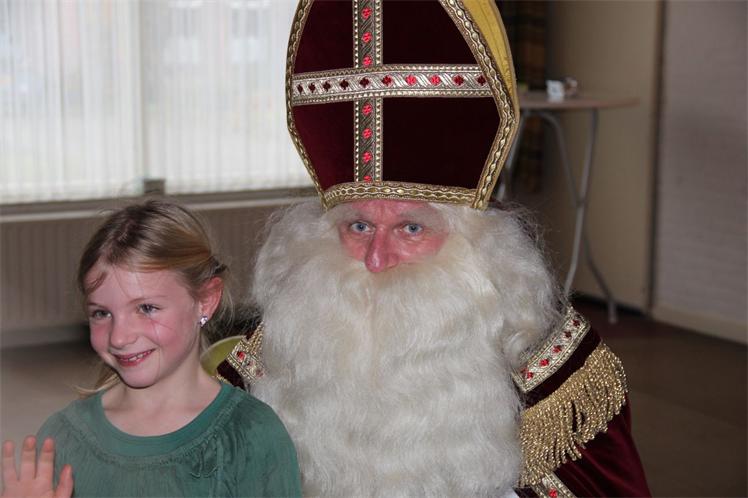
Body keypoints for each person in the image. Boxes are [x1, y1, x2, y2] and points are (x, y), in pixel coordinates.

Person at [215, 1, 651, 497]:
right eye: (358, 226)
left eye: (411, 229)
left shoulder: (548, 359)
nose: (375, 259)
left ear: (473, 243)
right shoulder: (290, 340)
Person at [2, 201, 302, 498]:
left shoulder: (251, 435)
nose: (119, 337)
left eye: (146, 308)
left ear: (205, 300)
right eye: (101, 313)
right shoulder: (63, 439)